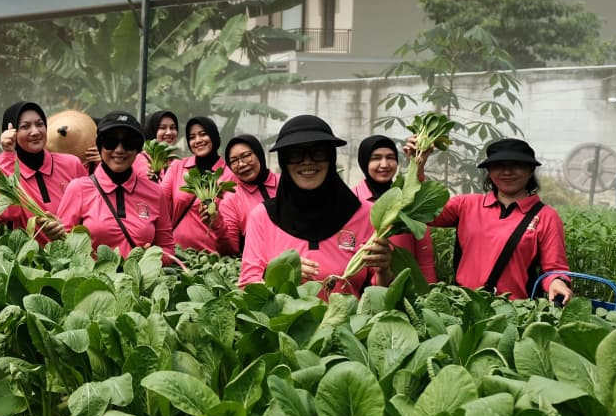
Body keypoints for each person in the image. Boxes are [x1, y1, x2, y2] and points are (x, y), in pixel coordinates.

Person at [239, 115, 390, 294]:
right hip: (283, 314)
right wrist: (278, 275)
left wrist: (385, 270)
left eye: (318, 152)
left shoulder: (366, 215)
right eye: (295, 154)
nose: (307, 161)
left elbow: (381, 294)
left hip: (351, 314)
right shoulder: (262, 217)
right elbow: (247, 287)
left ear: (331, 157)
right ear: (284, 162)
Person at [418, 137, 571, 302]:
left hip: (516, 310)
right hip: (464, 305)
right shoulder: (465, 205)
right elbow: (421, 211)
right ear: (489, 171)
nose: (507, 172)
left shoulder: (546, 216)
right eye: (498, 165)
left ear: (530, 170)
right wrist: (418, 165)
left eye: (516, 165)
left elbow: (555, 268)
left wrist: (557, 282)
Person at [57, 111, 174, 262]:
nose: (119, 150)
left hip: (140, 277)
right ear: (100, 146)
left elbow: (167, 247)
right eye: (110, 142)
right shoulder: (78, 188)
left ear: (138, 149)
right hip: (91, 277)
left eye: (129, 142)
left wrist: (150, 259)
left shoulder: (155, 192)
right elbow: (63, 245)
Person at [354, 135, 436, 282]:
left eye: (390, 157)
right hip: (362, 287)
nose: (384, 164)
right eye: (376, 158)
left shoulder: (408, 199)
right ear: (364, 162)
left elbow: (424, 254)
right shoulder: (353, 200)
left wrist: (428, 286)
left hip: (404, 285)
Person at [0, 101, 84, 232]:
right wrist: (7, 154)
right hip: (31, 246)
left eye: (40, 124)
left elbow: (91, 207)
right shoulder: (3, 172)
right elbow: (7, 214)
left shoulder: (71, 164)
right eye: (25, 126)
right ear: (10, 133)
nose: (35, 132)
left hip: (75, 244)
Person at [162, 116, 229, 252]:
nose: (198, 140)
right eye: (192, 137)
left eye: (203, 134)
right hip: (177, 254)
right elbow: (160, 203)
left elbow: (231, 228)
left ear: (214, 136)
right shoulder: (178, 167)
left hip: (212, 257)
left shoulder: (228, 174)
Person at [215, 134, 279, 256]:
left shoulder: (284, 183)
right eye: (234, 161)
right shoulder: (231, 199)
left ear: (259, 154)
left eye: (246, 156)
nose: (241, 164)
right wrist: (217, 225)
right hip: (259, 264)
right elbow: (230, 250)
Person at [133, 110, 179, 180]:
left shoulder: (177, 162)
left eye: (173, 128)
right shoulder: (140, 160)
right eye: (162, 128)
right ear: (152, 131)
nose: (169, 132)